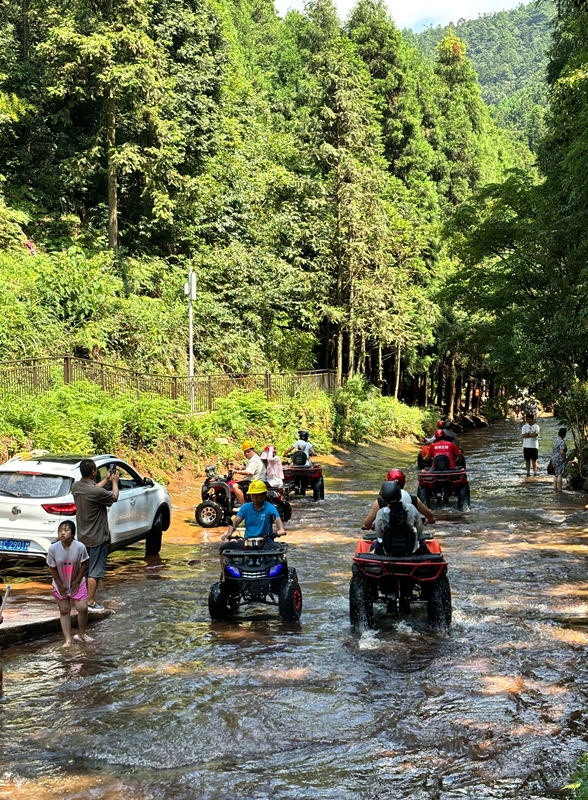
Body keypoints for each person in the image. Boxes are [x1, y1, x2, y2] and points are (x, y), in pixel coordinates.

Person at [71, 458, 119, 612]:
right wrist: (115, 482)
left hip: (83, 536)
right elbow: (114, 497)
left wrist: (105, 479)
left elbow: (93, 489)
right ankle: (91, 602)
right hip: (97, 537)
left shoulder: (76, 486)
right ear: (93, 472)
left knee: (84, 570)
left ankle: (81, 598)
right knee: (95, 571)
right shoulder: (96, 492)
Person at [46, 520, 92, 647]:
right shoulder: (53, 548)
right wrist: (60, 585)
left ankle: (81, 634)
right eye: (60, 530)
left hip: (77, 581)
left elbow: (84, 563)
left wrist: (77, 580)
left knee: (83, 608)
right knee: (64, 610)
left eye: (66, 530)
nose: (62, 533)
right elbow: (52, 567)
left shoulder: (80, 547)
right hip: (60, 583)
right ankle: (68, 639)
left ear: (72, 534)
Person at [220, 480, 285, 554]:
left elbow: (277, 520)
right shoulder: (245, 507)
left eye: (258, 494)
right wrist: (229, 533)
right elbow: (235, 522)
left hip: (265, 541)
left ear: (264, 495)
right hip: (248, 541)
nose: (255, 497)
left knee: (280, 551)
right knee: (224, 548)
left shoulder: (270, 508)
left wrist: (281, 529)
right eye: (253, 495)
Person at [363, 469, 435, 530]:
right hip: (409, 540)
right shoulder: (413, 500)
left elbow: (367, 524)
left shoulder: (380, 502)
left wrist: (372, 527)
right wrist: (427, 521)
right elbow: (430, 516)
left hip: (387, 541)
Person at [373, 482, 421, 556]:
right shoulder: (412, 509)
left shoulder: (381, 514)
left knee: (374, 546)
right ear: (400, 495)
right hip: (411, 551)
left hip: (388, 552)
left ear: (383, 498)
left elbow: (379, 535)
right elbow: (420, 530)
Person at [231, 441, 266, 506]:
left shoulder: (253, 460)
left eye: (248, 451)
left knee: (234, 486)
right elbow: (250, 467)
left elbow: (248, 472)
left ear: (253, 450)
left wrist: (235, 471)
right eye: (245, 452)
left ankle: (243, 506)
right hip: (258, 480)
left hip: (253, 481)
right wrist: (241, 468)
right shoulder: (256, 458)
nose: (246, 454)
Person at [552, 427, 568, 492]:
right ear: (564, 434)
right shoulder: (562, 442)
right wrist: (565, 458)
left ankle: (555, 487)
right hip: (559, 459)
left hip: (553, 458)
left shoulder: (555, 440)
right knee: (560, 474)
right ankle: (559, 488)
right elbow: (562, 452)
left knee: (555, 473)